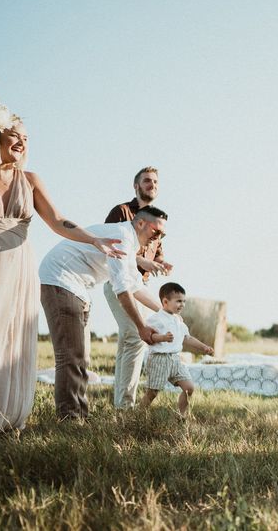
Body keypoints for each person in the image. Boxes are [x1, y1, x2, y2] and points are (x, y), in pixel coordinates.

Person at [0, 93, 124, 438]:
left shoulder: (31, 180)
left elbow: (58, 221)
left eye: (26, 138)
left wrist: (93, 240)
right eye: (14, 135)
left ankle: (6, 417)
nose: (22, 142)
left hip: (18, 268)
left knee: (11, 341)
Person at [39, 206, 169, 421]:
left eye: (163, 235)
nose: (159, 237)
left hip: (76, 288)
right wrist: (141, 326)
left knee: (81, 356)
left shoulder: (129, 242)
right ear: (140, 223)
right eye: (156, 231)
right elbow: (122, 290)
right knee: (71, 356)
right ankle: (70, 419)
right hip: (61, 281)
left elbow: (136, 287)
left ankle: (79, 416)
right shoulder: (122, 238)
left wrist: (166, 313)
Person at [105, 166, 174, 409]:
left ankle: (121, 404)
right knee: (135, 336)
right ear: (136, 186)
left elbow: (155, 255)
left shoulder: (158, 221)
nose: (152, 185)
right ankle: (126, 406)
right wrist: (141, 259)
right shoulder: (122, 212)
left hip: (140, 287)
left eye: (155, 181)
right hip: (119, 283)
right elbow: (110, 249)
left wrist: (161, 264)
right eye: (146, 181)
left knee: (129, 342)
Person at [139, 282, 214, 417]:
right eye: (178, 301)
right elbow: (149, 336)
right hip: (159, 359)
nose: (182, 305)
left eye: (184, 301)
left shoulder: (178, 320)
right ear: (165, 301)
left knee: (189, 388)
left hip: (175, 360)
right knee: (152, 392)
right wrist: (162, 337)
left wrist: (204, 347)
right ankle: (138, 414)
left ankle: (181, 416)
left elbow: (187, 338)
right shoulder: (156, 319)